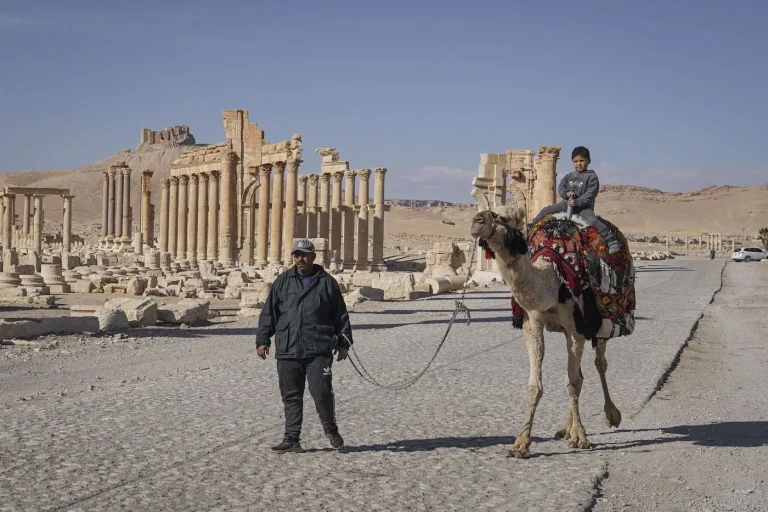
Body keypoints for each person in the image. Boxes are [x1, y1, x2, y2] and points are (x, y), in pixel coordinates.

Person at [256, 239, 353, 453]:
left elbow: (340, 315)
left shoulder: (327, 282)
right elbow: (269, 313)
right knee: (290, 395)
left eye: (305, 255)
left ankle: (331, 429)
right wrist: (263, 340)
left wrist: (344, 342)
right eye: (297, 255)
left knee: (322, 393)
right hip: (288, 347)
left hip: (318, 348)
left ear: (313, 257)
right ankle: (292, 439)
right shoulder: (282, 281)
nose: (300, 259)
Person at [529, 146, 621, 254]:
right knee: (546, 210)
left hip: (582, 207)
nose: (579, 163)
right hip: (566, 204)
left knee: (592, 220)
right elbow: (561, 187)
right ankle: (530, 228)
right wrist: (566, 193)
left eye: (582, 160)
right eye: (576, 161)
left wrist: (577, 202)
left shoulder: (591, 177)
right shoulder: (569, 176)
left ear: (589, 161)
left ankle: (611, 240)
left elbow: (590, 194)